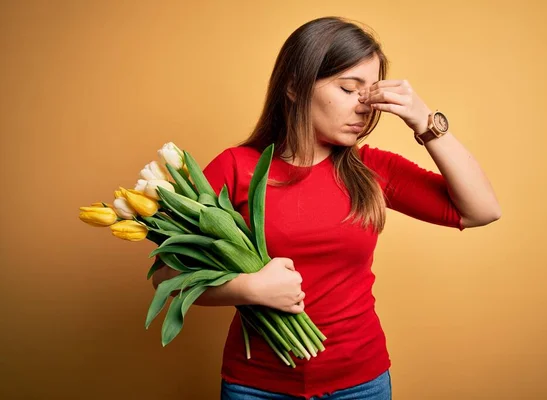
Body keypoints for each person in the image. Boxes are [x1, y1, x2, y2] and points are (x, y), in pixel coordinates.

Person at [151, 16, 501, 400]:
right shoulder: (237, 167)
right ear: (294, 87)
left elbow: (481, 210)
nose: (365, 107)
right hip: (257, 386)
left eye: (371, 94)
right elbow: (168, 276)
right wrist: (249, 287)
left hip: (361, 383)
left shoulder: (372, 169)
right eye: (350, 89)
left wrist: (425, 122)